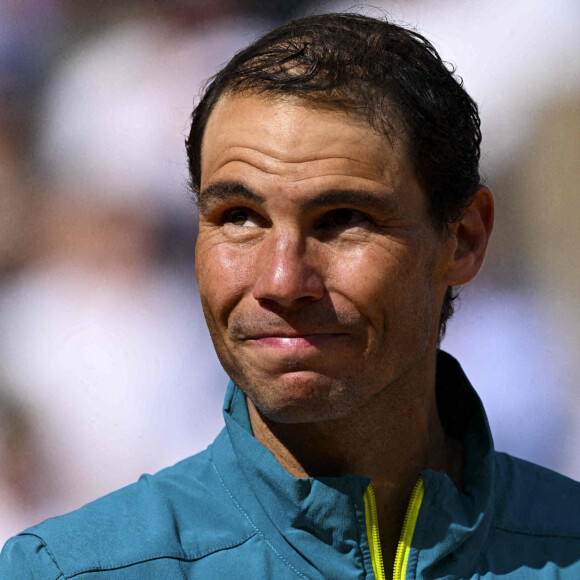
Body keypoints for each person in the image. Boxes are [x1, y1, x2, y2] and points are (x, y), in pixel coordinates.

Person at [1, 12, 579, 579]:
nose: (281, 281)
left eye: (343, 218)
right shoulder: (69, 571)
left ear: (465, 239)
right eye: (240, 216)